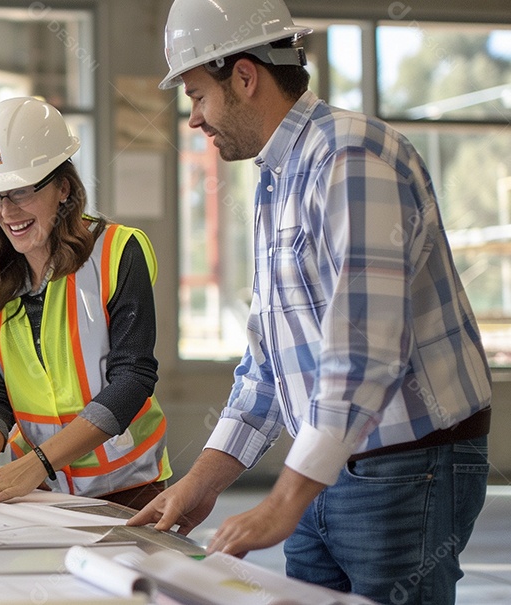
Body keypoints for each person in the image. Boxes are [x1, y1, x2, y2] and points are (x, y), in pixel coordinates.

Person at [128, 1, 493, 602]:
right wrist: (202, 482)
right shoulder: (277, 179)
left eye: (197, 96)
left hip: (403, 468)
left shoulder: (351, 156)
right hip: (325, 463)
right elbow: (267, 367)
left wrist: (282, 501)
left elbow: (367, 352)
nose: (193, 119)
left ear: (245, 76)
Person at [0, 97, 171, 511]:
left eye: (19, 191)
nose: (5, 211)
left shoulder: (118, 252)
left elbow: (133, 378)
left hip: (128, 488)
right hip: (34, 494)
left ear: (63, 187)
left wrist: (40, 463)